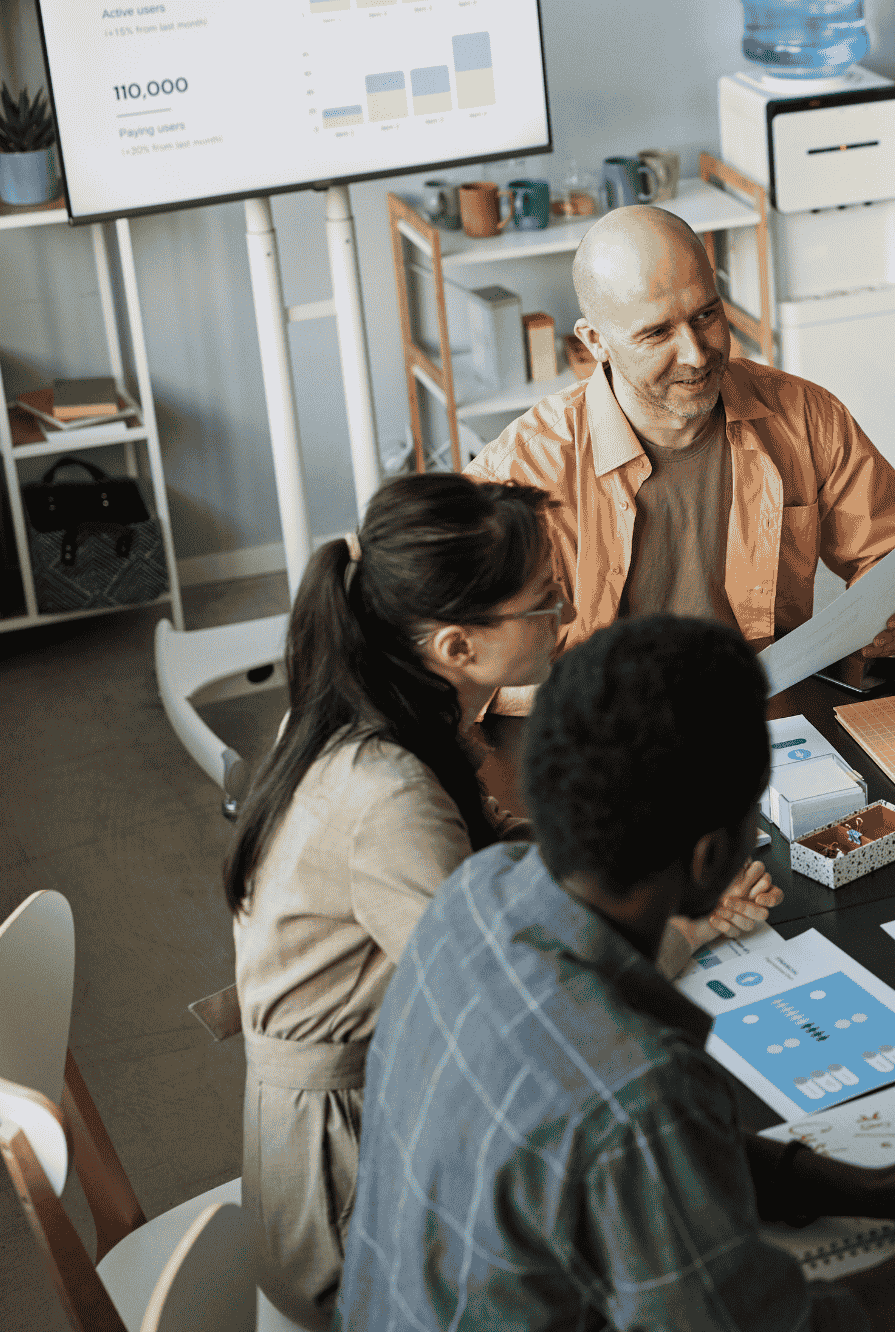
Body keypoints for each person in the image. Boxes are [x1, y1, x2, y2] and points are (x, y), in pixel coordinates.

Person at [337, 615, 895, 1331]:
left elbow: (637, 1164)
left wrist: (867, 1188)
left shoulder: (475, 893)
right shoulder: (642, 1093)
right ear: (713, 857)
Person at [220, 475, 777, 1327]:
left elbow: (498, 874)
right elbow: (512, 996)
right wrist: (685, 925)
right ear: (456, 646)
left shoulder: (392, 707)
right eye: (544, 602)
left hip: (385, 1091)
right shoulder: (387, 797)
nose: (565, 613)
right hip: (346, 1191)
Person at [463, 204, 895, 720]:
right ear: (595, 342)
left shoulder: (803, 414)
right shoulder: (520, 470)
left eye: (706, 315)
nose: (696, 354)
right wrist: (593, 698)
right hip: (601, 737)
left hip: (761, 715)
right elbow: (441, 659)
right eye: (656, 334)